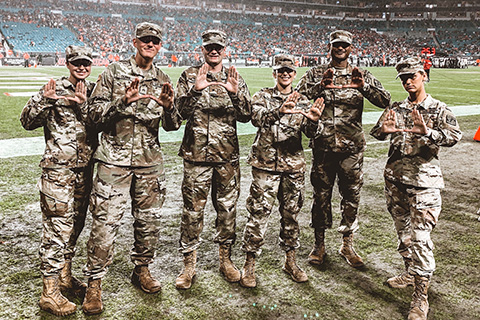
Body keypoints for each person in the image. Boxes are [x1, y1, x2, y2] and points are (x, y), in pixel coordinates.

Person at [82, 22, 182, 315]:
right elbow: (92, 115)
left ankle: (142, 270)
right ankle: (94, 283)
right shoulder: (113, 73)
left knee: (149, 223)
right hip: (113, 161)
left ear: (159, 46)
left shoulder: (163, 77)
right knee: (104, 223)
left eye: (155, 41)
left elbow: (173, 125)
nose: (150, 44)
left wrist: (168, 106)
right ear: (135, 42)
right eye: (146, 40)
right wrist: (122, 101)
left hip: (149, 163)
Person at [370, 57, 461, 320]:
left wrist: (429, 133)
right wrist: (381, 130)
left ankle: (421, 297)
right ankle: (410, 273)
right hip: (395, 181)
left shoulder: (438, 109)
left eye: (412, 76)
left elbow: (454, 136)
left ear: (424, 76)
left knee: (421, 240)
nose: (408, 81)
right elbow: (380, 130)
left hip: (424, 184)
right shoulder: (396, 107)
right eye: (403, 78)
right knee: (404, 236)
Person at [296, 30, 391, 268]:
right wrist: (320, 86)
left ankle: (347, 244)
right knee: (320, 197)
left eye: (344, 45)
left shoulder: (362, 74)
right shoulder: (317, 73)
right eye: (336, 44)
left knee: (351, 196)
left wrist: (364, 87)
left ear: (351, 48)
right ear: (330, 47)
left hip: (351, 149)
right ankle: (319, 244)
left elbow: (385, 100)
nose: (340, 48)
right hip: (323, 147)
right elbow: (297, 97)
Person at [20, 45, 96, 316]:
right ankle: (49, 292)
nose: (82, 67)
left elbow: (101, 124)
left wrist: (85, 105)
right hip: (57, 171)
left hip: (84, 171)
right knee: (56, 230)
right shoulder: (52, 89)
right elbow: (26, 121)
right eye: (77, 62)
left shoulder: (93, 90)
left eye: (86, 63)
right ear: (67, 63)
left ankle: (64, 276)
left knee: (75, 226)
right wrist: (46, 99)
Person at [239, 54, 324, 288]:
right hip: (265, 165)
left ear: (294, 74)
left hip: (293, 166)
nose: (285, 74)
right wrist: (279, 111)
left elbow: (311, 132)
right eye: (281, 70)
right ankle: (249, 265)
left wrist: (315, 121)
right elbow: (255, 118)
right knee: (258, 216)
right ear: (274, 73)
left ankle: (291, 261)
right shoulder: (263, 96)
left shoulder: (304, 101)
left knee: (291, 216)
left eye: (289, 71)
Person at [175, 29, 251, 290]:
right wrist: (195, 91)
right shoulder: (189, 76)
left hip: (226, 157)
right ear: (203, 49)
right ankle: (189, 265)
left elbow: (246, 115)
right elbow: (177, 114)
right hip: (196, 156)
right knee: (192, 212)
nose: (214, 50)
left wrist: (233, 92)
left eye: (218, 46)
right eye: (209, 47)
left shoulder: (234, 77)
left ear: (225, 49)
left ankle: (225, 260)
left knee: (227, 210)